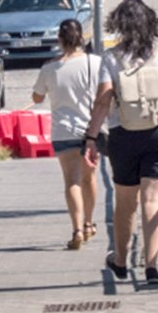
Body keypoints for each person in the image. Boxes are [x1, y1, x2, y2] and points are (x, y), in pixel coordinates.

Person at [82, 0, 158, 286]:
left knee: (125, 203)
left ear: (119, 25)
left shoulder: (111, 58)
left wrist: (91, 138)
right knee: (153, 201)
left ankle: (120, 260)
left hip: (124, 136)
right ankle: (152, 266)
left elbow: (103, 101)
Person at [32, 18, 103, 250]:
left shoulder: (50, 68)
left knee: (71, 180)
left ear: (60, 40)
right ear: (82, 37)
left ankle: (76, 230)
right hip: (91, 131)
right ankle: (90, 223)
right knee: (89, 177)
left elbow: (37, 97)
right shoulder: (95, 62)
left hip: (63, 131)